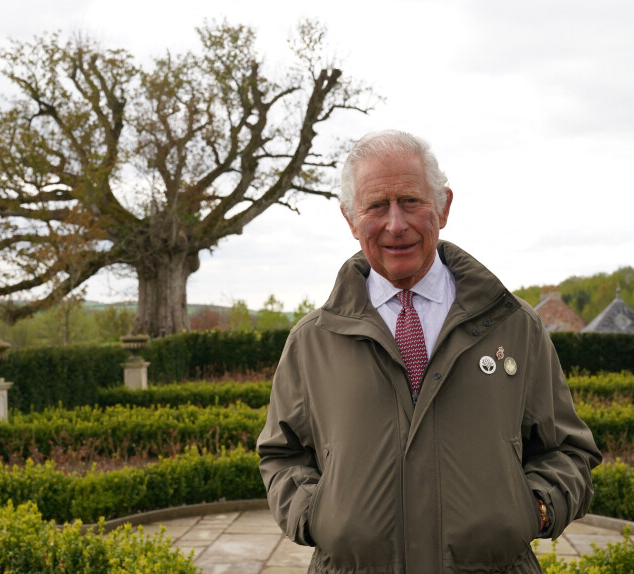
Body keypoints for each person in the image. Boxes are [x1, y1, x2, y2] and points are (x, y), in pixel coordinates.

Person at [256, 130, 602, 573]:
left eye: (411, 201)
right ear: (349, 218)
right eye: (377, 206)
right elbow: (282, 455)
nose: (395, 224)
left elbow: (568, 450)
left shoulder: (515, 326)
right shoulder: (312, 341)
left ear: (443, 206)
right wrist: (315, 515)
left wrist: (531, 508)